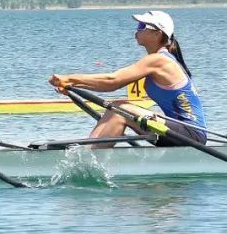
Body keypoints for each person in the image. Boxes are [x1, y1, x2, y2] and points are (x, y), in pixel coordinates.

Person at [49, 10, 206, 147]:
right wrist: (72, 84)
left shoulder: (160, 60)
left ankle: (90, 157)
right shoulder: (157, 59)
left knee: (120, 109)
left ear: (157, 34)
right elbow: (109, 85)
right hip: (174, 131)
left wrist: (70, 78)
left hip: (191, 135)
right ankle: (89, 152)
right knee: (118, 106)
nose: (136, 30)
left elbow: (113, 81)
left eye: (142, 27)